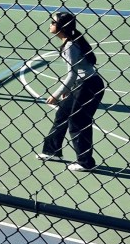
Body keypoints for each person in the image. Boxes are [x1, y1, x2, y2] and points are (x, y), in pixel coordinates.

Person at [37, 11, 106, 172]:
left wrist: (56, 94)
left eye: (53, 22)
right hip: (82, 84)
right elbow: (75, 74)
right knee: (62, 114)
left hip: (89, 85)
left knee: (78, 121)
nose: (50, 25)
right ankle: (52, 151)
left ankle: (85, 162)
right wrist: (69, 89)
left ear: (62, 27)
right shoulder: (70, 42)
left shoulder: (70, 45)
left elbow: (72, 74)